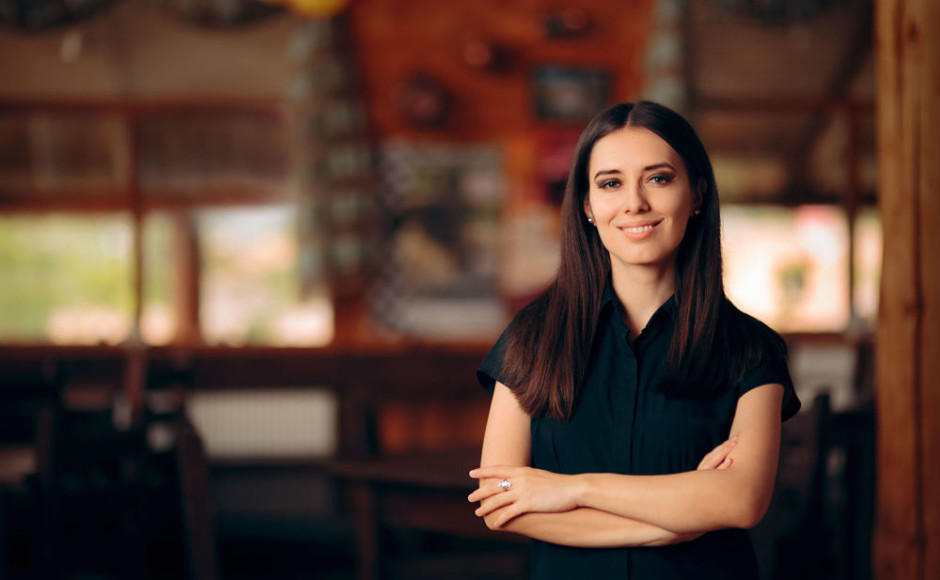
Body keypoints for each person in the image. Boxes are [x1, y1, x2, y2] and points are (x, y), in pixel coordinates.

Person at [467, 101, 800, 579]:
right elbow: (500, 502)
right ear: (587, 205)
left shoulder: (751, 348)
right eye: (610, 183)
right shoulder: (532, 338)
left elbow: (741, 502)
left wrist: (575, 490)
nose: (634, 203)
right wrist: (668, 524)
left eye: (659, 178)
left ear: (697, 194)